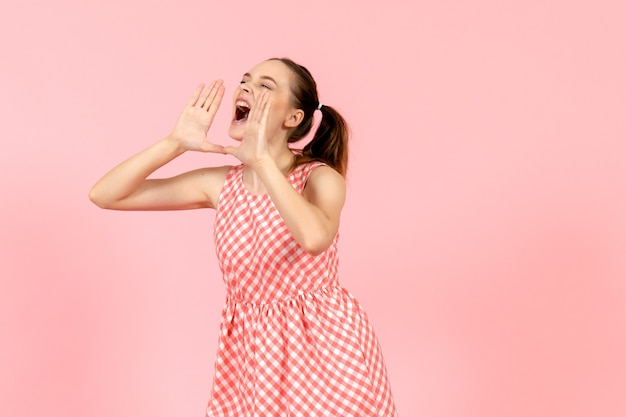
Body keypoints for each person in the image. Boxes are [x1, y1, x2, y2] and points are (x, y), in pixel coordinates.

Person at [90, 58, 397, 416]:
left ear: (293, 118)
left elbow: (314, 239)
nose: (247, 88)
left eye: (266, 86)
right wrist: (176, 143)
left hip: (323, 345)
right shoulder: (220, 185)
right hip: (253, 354)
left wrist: (264, 161)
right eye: (246, 80)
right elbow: (106, 194)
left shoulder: (319, 178)